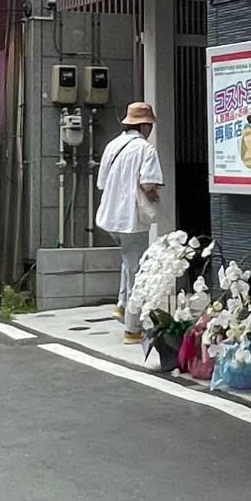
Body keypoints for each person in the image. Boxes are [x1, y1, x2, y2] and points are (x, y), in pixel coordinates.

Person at [96, 102, 164, 341]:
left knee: (128, 259)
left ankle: (122, 305)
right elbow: (148, 185)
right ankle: (132, 329)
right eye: (150, 125)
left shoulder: (112, 146)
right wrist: (155, 197)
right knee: (137, 269)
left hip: (109, 217)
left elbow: (102, 184)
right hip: (131, 218)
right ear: (144, 125)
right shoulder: (146, 149)